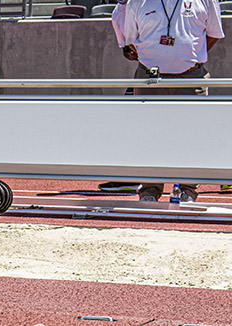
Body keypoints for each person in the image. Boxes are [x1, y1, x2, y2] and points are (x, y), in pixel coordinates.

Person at [123, 0, 225, 201]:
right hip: (149, 78)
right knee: (148, 134)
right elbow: (131, 40)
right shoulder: (136, 2)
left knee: (192, 134)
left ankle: (187, 189)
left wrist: (189, 57)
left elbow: (213, 33)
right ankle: (149, 190)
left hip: (191, 77)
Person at [97, 0, 143, 193]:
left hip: (161, 69)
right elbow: (128, 46)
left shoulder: (143, 5)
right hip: (146, 69)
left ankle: (216, 174)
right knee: (129, 123)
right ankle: (129, 176)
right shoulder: (121, 9)